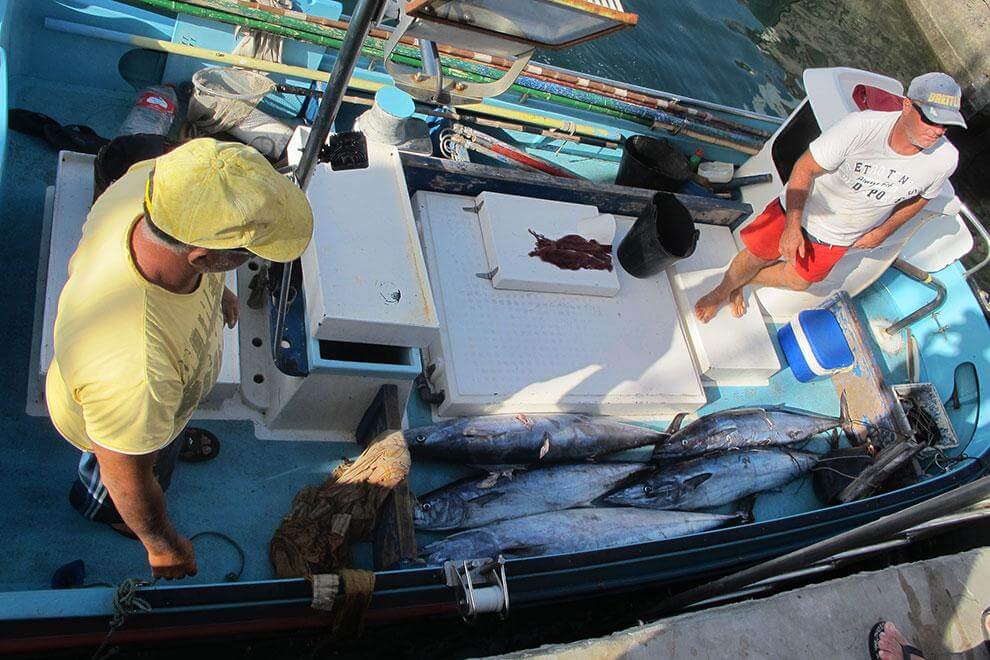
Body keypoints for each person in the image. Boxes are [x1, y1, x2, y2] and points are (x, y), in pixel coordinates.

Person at [45, 138, 314, 579]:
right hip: (114, 428)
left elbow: (191, 248)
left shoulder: (149, 190)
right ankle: (107, 513)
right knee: (121, 485)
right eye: (248, 255)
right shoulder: (138, 375)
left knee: (157, 441)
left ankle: (162, 442)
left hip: (156, 402)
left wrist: (218, 288)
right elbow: (124, 475)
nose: (251, 261)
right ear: (204, 258)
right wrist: (162, 543)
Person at [694, 72, 966, 324]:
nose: (938, 130)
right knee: (755, 256)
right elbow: (805, 168)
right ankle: (721, 292)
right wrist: (792, 225)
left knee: (800, 281)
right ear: (907, 105)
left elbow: (922, 199)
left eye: (946, 125)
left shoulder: (945, 160)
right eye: (930, 119)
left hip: (839, 238)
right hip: (800, 212)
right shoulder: (860, 127)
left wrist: (883, 232)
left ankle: (743, 283)